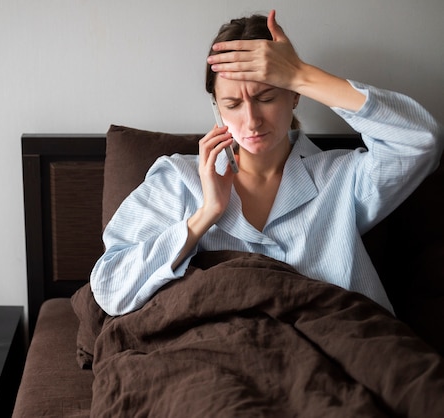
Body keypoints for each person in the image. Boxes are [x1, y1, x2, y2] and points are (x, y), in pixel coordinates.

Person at [90, 10, 443, 317]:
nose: (252, 120)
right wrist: (205, 215)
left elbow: (420, 140)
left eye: (266, 96)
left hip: (337, 355)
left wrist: (301, 73)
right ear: (216, 107)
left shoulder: (343, 178)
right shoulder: (178, 179)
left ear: (294, 96)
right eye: (232, 104)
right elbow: (110, 288)